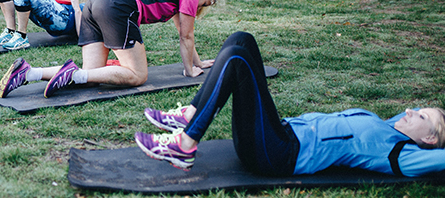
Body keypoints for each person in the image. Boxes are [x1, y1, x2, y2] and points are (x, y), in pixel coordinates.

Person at [134, 31, 445, 176]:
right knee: (241, 40)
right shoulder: (390, 127)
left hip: (278, 154)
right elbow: (401, 120)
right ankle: (188, 115)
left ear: (430, 138)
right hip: (278, 134)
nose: (409, 110)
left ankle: (185, 144)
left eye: (420, 115)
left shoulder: (400, 154)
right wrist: (417, 118)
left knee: (236, 58)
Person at [0, 0, 220, 98]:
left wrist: (198, 61)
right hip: (118, 6)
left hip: (98, 1)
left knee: (90, 75)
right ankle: (73, 75)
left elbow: (183, 31)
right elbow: (187, 36)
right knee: (137, 75)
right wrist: (190, 71)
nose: (199, 8)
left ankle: (29, 73)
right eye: (204, 3)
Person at [0, 0, 83, 50]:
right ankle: (10, 32)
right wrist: (52, 1)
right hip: (61, 11)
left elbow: (83, 35)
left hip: (65, 20)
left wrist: (77, 9)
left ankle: (21, 37)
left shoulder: (95, 13)